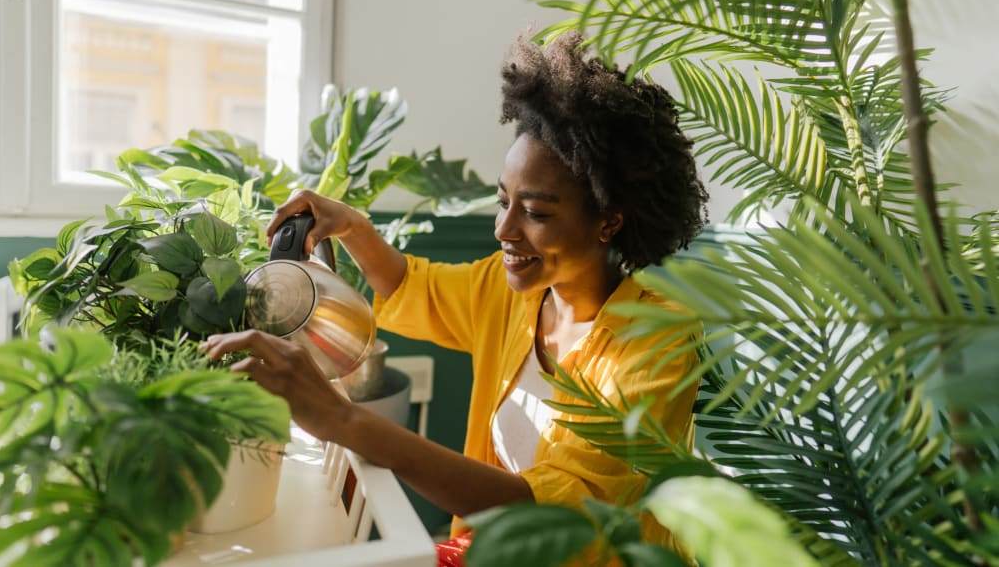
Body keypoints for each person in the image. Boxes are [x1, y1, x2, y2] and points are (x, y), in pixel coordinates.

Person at [201, 31, 708, 563]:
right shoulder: (514, 292)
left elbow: (552, 518)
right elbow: (411, 286)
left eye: (535, 213)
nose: (503, 229)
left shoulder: (658, 340)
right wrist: (350, 224)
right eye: (502, 201)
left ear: (608, 221)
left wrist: (344, 420)